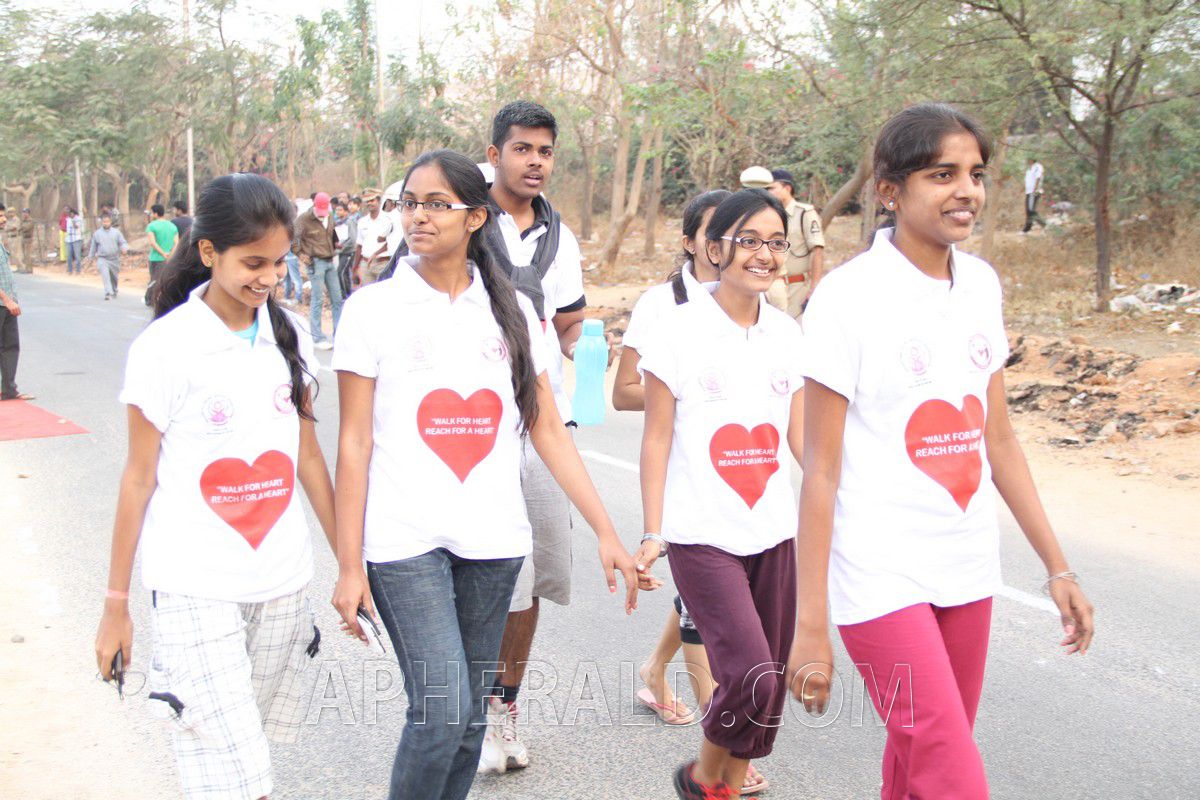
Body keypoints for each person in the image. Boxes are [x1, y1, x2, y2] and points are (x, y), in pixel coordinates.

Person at [790, 104, 1095, 800]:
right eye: (942, 174)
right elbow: (821, 471)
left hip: (965, 566)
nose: (967, 191)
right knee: (953, 775)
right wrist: (811, 625)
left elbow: (999, 439)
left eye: (977, 174)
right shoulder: (846, 299)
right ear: (890, 191)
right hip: (879, 577)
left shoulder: (982, 285)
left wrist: (1057, 567)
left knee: (918, 762)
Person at [329, 149, 646, 800]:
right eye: (409, 202)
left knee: (469, 715)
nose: (418, 216)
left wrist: (607, 531)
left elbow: (548, 430)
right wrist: (348, 563)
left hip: (495, 542)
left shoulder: (512, 313)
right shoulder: (372, 310)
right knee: (442, 708)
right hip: (402, 543)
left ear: (477, 217)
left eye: (436, 204)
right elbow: (354, 442)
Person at [94, 172, 337, 800]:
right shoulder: (164, 349)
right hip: (195, 587)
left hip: (282, 584)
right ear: (209, 253)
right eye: (252, 263)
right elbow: (137, 479)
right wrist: (116, 605)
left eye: (280, 263)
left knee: (230, 758)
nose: (268, 278)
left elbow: (308, 457)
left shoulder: (292, 335)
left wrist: (350, 564)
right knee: (241, 775)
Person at [636, 189, 805, 800]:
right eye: (750, 241)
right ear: (715, 248)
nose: (764, 254)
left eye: (776, 243)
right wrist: (654, 531)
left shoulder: (788, 334)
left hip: (773, 530)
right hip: (700, 533)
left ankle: (725, 783)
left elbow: (802, 437)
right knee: (752, 677)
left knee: (772, 678)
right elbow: (655, 441)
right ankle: (705, 775)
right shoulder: (675, 331)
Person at [478, 100, 614, 774]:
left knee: (536, 576)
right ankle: (468, 710)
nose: (535, 161)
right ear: (496, 151)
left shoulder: (561, 236)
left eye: (545, 151)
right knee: (492, 572)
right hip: (471, 426)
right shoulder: (464, 217)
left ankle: (503, 705)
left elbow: (566, 320)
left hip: (542, 424)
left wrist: (586, 342)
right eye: (523, 148)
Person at [767, 168, 826, 319]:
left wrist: (815, 287)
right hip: (773, 286)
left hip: (799, 286)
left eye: (772, 188)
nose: (768, 192)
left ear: (787, 188)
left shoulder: (804, 213)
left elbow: (817, 250)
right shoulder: (768, 215)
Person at [292, 191, 342, 350]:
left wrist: (336, 244)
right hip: (315, 263)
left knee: (337, 299)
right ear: (314, 206)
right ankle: (317, 337)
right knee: (317, 299)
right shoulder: (304, 219)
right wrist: (300, 254)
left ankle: (339, 335)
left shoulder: (330, 215)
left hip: (330, 260)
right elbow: (292, 239)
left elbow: (332, 234)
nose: (322, 216)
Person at [0, 206, 33, 401]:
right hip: (4, 302)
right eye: (0, 216)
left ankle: (9, 389)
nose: (3, 220)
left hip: (8, 304)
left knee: (10, 346)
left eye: (3, 216)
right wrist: (6, 298)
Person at [351, 189, 392, 287]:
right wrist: (355, 267)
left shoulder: (389, 219)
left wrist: (377, 254)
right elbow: (359, 246)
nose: (369, 203)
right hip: (366, 265)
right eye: (367, 201)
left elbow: (392, 242)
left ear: (378, 201)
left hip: (383, 263)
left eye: (372, 200)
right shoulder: (362, 221)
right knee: (368, 298)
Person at [87, 212, 129, 300]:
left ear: (110, 222)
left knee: (114, 277)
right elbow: (93, 246)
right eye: (104, 222)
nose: (106, 223)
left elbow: (123, 242)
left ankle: (114, 290)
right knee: (105, 275)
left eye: (107, 222)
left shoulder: (116, 232)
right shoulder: (97, 234)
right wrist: (90, 257)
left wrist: (124, 248)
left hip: (114, 259)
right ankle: (108, 292)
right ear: (102, 222)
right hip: (103, 259)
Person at [145, 204, 179, 306]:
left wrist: (162, 253)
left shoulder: (151, 226)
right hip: (169, 258)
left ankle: (149, 299)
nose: (151, 215)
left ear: (155, 213)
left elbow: (152, 243)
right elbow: (176, 242)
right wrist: (170, 254)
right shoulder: (172, 226)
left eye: (151, 213)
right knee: (166, 279)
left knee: (154, 279)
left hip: (156, 258)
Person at [335, 199, 358, 297]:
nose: (337, 212)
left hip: (348, 252)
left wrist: (341, 248)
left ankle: (345, 295)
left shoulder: (349, 222)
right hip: (342, 252)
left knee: (341, 272)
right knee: (343, 274)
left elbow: (352, 239)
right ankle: (347, 294)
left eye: (340, 210)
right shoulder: (339, 222)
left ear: (345, 211)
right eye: (336, 210)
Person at [1022, 156, 1045, 233]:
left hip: (1034, 192)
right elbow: (1028, 180)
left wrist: (1035, 189)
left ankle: (1043, 225)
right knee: (1029, 210)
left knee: (1031, 210)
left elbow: (1038, 178)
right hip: (1028, 192)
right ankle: (1028, 228)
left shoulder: (1038, 166)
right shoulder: (1029, 169)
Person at [65, 206, 84, 275]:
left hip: (76, 239)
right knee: (69, 256)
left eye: (71, 214)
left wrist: (73, 221)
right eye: (69, 214)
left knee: (77, 256)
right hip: (69, 239)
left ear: (73, 213)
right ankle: (70, 270)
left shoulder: (78, 219)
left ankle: (78, 270)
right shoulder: (67, 219)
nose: (70, 215)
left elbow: (76, 227)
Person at [18, 208, 35, 274]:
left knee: (28, 255)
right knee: (24, 255)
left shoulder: (30, 221)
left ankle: (29, 269)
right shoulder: (23, 220)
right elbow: (19, 228)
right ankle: (26, 268)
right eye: (23, 213)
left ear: (28, 213)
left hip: (28, 239)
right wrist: (21, 227)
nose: (24, 214)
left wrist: (21, 227)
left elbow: (26, 228)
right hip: (23, 238)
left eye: (26, 213)